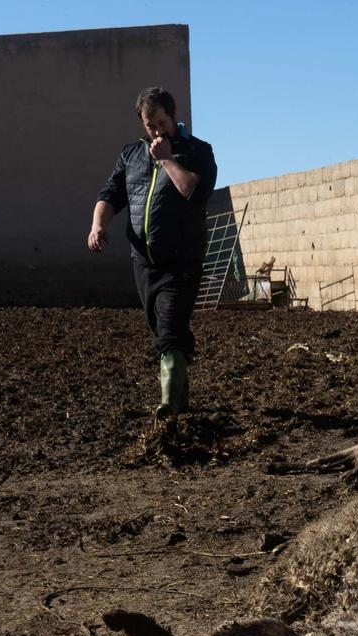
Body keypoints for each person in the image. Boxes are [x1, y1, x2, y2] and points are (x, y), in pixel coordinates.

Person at [90, 86, 218, 418]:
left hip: (182, 261)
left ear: (174, 117)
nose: (157, 131)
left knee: (170, 333)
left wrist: (167, 159)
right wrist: (98, 226)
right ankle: (181, 390)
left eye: (161, 122)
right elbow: (110, 194)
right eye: (150, 126)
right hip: (144, 263)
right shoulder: (131, 155)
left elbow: (193, 191)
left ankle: (170, 407)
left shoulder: (198, 151)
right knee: (164, 331)